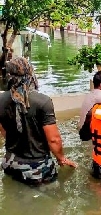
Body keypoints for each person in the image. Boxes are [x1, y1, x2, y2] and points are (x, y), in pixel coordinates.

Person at [0, 57, 76, 185]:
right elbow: (54, 139)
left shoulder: (1, 99)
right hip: (37, 168)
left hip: (10, 162)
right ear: (30, 74)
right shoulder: (42, 101)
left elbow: (4, 132)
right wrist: (62, 159)